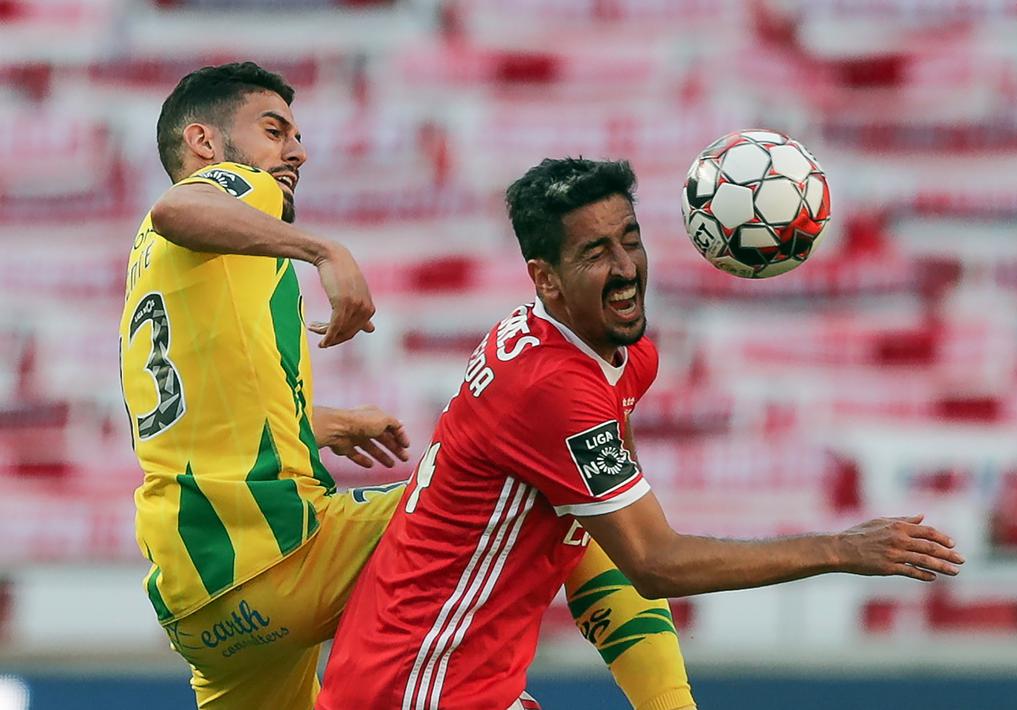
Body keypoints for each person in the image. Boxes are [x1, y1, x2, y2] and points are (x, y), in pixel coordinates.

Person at [119, 63, 696, 710]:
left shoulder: (163, 272)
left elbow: (194, 416)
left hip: (197, 607)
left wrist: (319, 423)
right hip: (275, 558)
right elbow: (176, 205)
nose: (296, 151)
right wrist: (324, 251)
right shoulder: (230, 189)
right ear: (203, 143)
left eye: (295, 134)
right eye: (273, 130)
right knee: (562, 500)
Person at [318, 157, 967, 710]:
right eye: (595, 253)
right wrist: (838, 551)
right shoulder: (553, 389)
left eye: (629, 239)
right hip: (415, 688)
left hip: (444, 682)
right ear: (545, 278)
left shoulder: (604, 353)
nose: (626, 267)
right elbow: (653, 564)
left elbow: (600, 537)